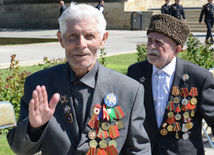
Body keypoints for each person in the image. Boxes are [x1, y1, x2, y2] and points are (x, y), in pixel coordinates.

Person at [7, 3, 151, 155]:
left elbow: (138, 150)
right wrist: (33, 127)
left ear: (103, 39)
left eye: (90, 36)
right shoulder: (39, 85)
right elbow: (19, 149)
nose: (81, 44)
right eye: (72, 36)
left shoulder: (128, 90)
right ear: (60, 39)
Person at [127, 14, 214, 155]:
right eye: (149, 40)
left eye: (159, 43)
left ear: (177, 50)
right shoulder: (136, 72)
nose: (151, 46)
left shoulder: (198, 77)